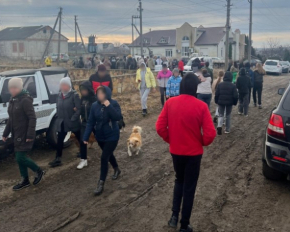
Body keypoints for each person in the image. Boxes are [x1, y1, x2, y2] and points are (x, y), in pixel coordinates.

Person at [156, 73, 216, 232]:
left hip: (176, 152)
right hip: (194, 154)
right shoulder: (201, 106)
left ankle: (174, 217)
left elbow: (160, 128)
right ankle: (184, 224)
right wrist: (200, 142)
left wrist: (172, 140)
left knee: (179, 181)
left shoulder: (170, 103)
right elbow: (210, 134)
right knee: (189, 187)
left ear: (181, 86)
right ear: (195, 88)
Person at [2, 78, 45, 191]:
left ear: (20, 88)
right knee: (19, 157)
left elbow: (32, 118)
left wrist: (30, 135)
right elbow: (11, 119)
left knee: (20, 157)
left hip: (25, 134)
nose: (13, 90)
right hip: (16, 133)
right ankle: (25, 179)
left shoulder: (25, 100)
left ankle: (38, 171)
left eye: (15, 87)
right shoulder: (13, 100)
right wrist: (6, 133)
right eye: (11, 88)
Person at [83, 86, 122, 196]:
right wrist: (86, 137)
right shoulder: (94, 106)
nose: (99, 95)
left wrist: (108, 105)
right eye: (98, 93)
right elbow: (90, 122)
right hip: (100, 136)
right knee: (108, 154)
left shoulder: (113, 103)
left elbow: (117, 117)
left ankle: (101, 183)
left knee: (104, 157)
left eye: (102, 93)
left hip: (112, 136)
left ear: (107, 94)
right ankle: (117, 169)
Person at [49, 77, 81, 167]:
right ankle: (58, 158)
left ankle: (83, 153)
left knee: (79, 137)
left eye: (64, 85)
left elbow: (79, 109)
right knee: (60, 140)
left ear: (68, 86)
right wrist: (59, 117)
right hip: (62, 122)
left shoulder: (74, 95)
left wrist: (73, 119)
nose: (62, 87)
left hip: (73, 122)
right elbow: (57, 107)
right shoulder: (59, 95)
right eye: (61, 85)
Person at [77, 81, 97, 169]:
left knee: (100, 139)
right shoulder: (82, 98)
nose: (83, 92)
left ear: (88, 90)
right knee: (82, 141)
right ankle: (83, 160)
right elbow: (81, 109)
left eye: (84, 90)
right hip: (85, 122)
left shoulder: (94, 98)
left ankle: (107, 155)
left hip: (95, 122)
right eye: (81, 90)